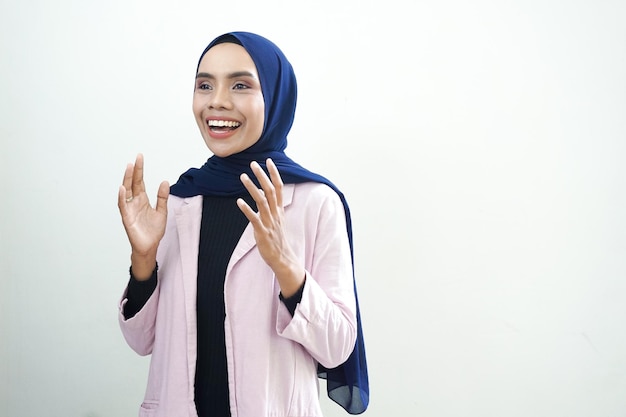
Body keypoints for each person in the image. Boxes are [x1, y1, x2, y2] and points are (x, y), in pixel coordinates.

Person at [117, 31, 369, 417]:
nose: (217, 101)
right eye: (205, 85)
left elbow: (337, 348)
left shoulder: (316, 201)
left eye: (240, 85)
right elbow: (142, 340)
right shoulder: (182, 200)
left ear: (275, 96)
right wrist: (143, 260)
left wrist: (288, 269)